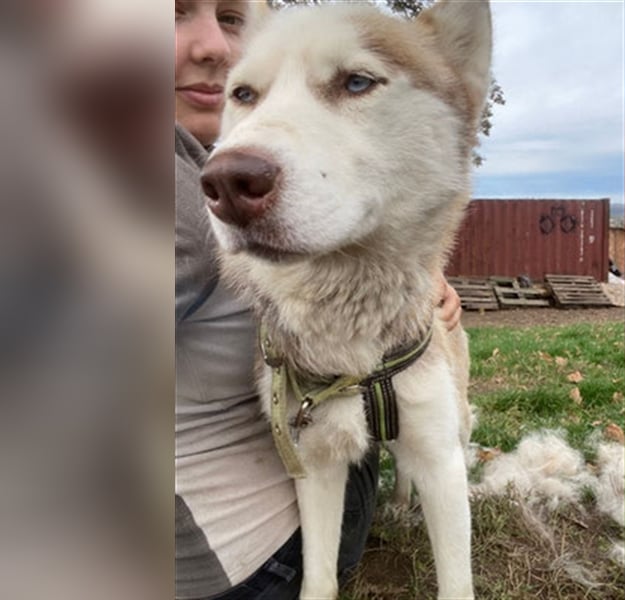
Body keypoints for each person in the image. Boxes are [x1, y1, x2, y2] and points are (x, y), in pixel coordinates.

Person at [174, 2, 462, 599]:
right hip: (246, 549)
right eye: (245, 94)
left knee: (418, 440)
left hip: (306, 438)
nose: (214, 48)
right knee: (386, 445)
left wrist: (417, 268)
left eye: (231, 18)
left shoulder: (194, 158)